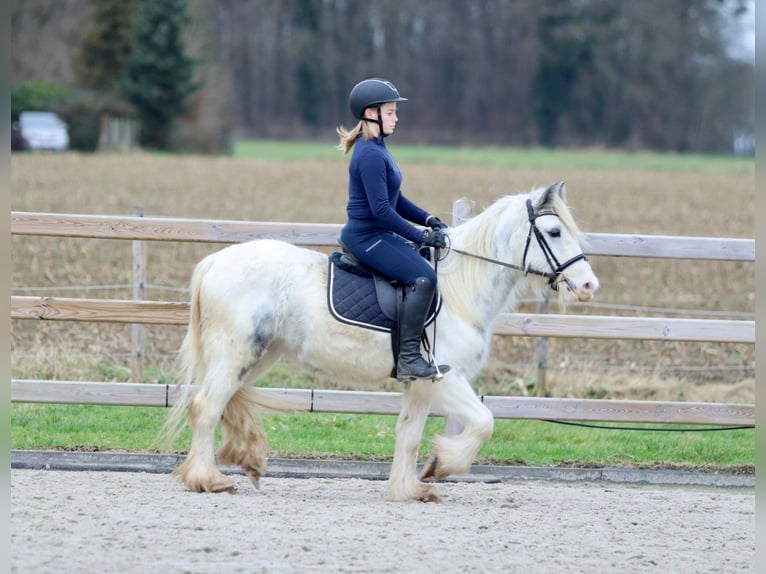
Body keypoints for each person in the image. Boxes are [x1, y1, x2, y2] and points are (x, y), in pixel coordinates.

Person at [336, 77, 450, 382]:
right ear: (371, 113)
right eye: (390, 112)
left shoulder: (377, 147)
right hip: (366, 238)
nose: (396, 118)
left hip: (375, 234)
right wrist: (423, 237)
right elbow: (382, 211)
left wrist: (428, 219)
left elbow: (395, 198)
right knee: (424, 278)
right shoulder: (371, 155)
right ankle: (410, 359)